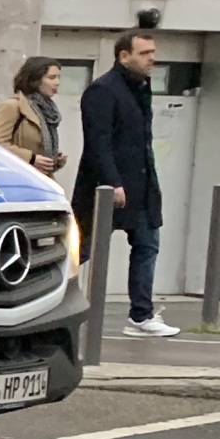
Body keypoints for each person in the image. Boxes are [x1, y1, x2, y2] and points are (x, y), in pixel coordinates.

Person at [76, 31, 175, 338]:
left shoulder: (143, 88)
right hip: (105, 188)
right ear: (124, 56)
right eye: (145, 53)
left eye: (153, 52)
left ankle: (141, 315)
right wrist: (112, 182)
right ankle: (47, 302)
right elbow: (99, 142)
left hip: (142, 185)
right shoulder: (102, 90)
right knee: (79, 249)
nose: (152, 59)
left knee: (147, 245)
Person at [0, 56, 68, 176]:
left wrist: (53, 159)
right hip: (16, 179)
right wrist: (30, 159)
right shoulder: (13, 107)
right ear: (35, 80)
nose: (57, 83)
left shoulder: (46, 111)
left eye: (58, 78)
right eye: (51, 78)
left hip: (39, 179)